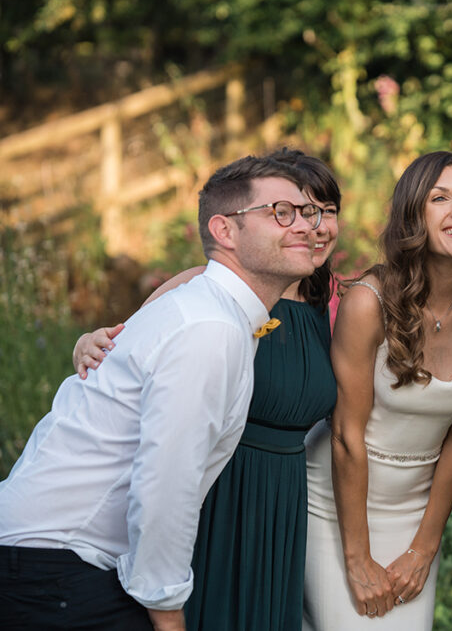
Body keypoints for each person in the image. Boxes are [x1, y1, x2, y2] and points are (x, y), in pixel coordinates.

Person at [0, 155, 320, 630]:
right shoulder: (210, 328)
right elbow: (166, 480)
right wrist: (167, 613)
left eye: (308, 212)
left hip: (51, 560)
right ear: (225, 231)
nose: (305, 226)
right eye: (280, 212)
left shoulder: (211, 313)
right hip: (60, 566)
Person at [302, 151, 452, 630]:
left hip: (415, 512)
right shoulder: (369, 302)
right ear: (412, 217)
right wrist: (357, 559)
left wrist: (425, 546)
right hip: (334, 507)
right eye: (440, 198)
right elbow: (345, 435)